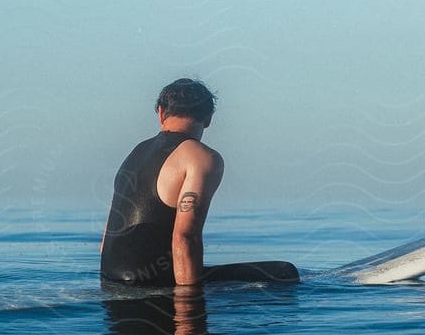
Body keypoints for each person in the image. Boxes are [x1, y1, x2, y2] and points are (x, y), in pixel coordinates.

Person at [99, 78, 298, 288]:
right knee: (285, 272)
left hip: (110, 277)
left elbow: (105, 243)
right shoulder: (200, 157)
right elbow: (185, 236)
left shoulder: (136, 152)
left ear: (160, 113)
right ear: (209, 118)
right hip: (154, 282)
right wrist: (188, 309)